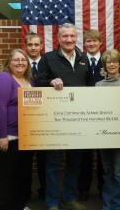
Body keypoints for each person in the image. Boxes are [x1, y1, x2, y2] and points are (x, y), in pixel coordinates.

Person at [35, 23, 92, 210]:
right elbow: (38, 82)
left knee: (75, 162)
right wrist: (50, 81)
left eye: (72, 36)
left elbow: (91, 88)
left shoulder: (84, 59)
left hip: (78, 121)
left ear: (77, 38)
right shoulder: (48, 58)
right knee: (52, 163)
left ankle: (69, 197)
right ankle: (52, 201)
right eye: (65, 36)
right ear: (58, 38)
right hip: (55, 121)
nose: (69, 39)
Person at [0, 49, 34, 210]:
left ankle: (19, 205)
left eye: (23, 60)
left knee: (22, 174)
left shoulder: (29, 80)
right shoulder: (4, 78)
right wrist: (3, 136)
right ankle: (4, 206)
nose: (20, 62)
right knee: (7, 175)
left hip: (26, 136)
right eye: (16, 60)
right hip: (9, 136)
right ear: (9, 62)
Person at [96, 49, 120, 210]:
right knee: (107, 171)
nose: (111, 64)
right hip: (103, 135)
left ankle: (118, 204)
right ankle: (107, 203)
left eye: (114, 61)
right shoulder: (98, 85)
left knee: (118, 172)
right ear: (104, 65)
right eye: (108, 62)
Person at [77, 29, 104, 201]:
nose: (92, 44)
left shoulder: (108, 60)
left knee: (104, 156)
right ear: (84, 44)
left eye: (94, 41)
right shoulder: (79, 61)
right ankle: (83, 189)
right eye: (88, 41)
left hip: (103, 114)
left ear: (100, 42)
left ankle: (103, 188)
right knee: (84, 156)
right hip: (84, 115)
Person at [25, 32, 46, 200]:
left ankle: (45, 191)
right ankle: (25, 193)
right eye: (30, 45)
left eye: (36, 45)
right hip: (25, 120)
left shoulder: (48, 64)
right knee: (24, 161)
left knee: (44, 161)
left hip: (44, 119)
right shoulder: (20, 64)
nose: (33, 47)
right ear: (26, 46)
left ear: (41, 46)